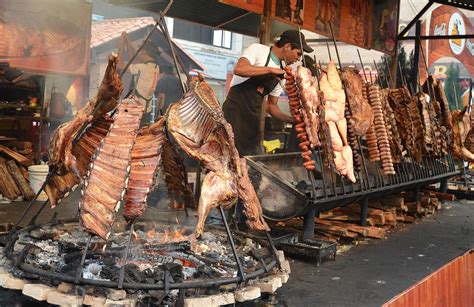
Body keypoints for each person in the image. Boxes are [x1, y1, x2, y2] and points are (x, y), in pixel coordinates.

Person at [222, 30, 313, 156]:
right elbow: (239, 69)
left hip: (253, 121)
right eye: (298, 53)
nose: (298, 59)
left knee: (251, 160)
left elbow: (271, 106)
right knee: (229, 157)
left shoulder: (281, 73)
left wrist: (292, 120)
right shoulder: (258, 50)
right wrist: (269, 70)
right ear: (287, 46)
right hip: (234, 115)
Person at [117, 32, 160, 123]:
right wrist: (128, 41)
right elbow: (134, 58)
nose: (139, 53)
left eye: (140, 51)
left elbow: (119, 65)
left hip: (136, 109)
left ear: (144, 52)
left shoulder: (143, 68)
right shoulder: (155, 67)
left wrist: (120, 47)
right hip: (146, 110)